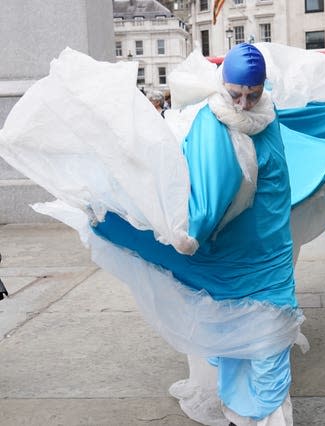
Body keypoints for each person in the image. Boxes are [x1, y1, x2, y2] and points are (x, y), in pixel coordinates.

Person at [96, 43, 299, 424]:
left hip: (271, 254)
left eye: (252, 95)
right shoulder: (212, 120)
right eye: (236, 94)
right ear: (224, 84)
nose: (242, 104)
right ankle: (244, 415)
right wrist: (187, 232)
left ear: (263, 89)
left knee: (270, 346)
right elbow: (206, 191)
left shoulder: (269, 117)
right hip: (234, 255)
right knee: (238, 346)